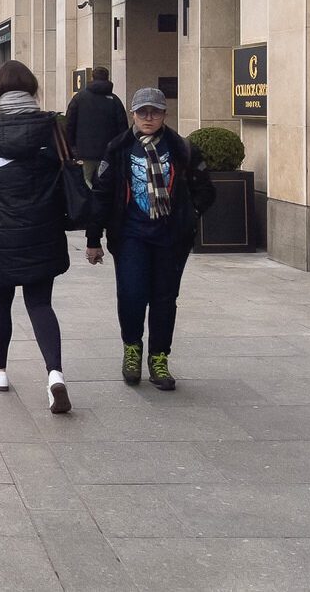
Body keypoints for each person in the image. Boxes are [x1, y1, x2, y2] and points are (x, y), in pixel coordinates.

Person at [0, 60, 73, 414]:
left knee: (0, 299)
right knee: (40, 304)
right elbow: (66, 172)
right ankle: (55, 375)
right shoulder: (52, 129)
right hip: (42, 228)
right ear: (33, 90)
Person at [85, 88, 216, 392]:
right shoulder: (118, 148)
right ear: (132, 113)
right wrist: (94, 238)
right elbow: (101, 195)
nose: (148, 117)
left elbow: (205, 188)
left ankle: (159, 357)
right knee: (132, 294)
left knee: (164, 298)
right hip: (130, 235)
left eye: (154, 112)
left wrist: (190, 214)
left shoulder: (182, 148)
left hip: (171, 238)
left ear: (164, 115)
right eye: (142, 112)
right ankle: (132, 349)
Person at [65, 66, 130, 186]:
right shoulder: (115, 100)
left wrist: (72, 148)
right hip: (108, 154)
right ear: (108, 78)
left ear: (92, 78)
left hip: (83, 152)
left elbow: (69, 124)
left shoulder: (79, 98)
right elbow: (123, 128)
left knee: (85, 184)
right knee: (105, 184)